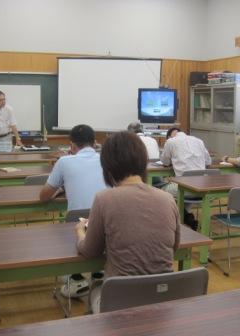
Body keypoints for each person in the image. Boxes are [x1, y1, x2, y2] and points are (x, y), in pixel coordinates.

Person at [75, 131, 180, 313]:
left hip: (122, 302)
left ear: (107, 166)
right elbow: (175, 247)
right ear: (142, 161)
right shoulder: (167, 198)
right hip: (164, 301)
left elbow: (89, 251)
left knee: (95, 289)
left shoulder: (104, 199)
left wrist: (80, 232)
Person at [39, 124, 107, 298]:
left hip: (79, 225)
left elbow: (44, 196)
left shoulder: (64, 161)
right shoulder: (107, 159)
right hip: (106, 222)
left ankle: (75, 277)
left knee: (64, 228)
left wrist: (60, 188)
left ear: (71, 145)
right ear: (95, 143)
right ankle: (98, 274)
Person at [160, 127, 212, 229]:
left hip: (185, 189)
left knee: (161, 192)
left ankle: (181, 220)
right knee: (182, 193)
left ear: (169, 137)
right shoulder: (199, 141)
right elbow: (208, 162)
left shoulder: (170, 142)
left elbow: (165, 162)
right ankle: (187, 218)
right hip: (202, 189)